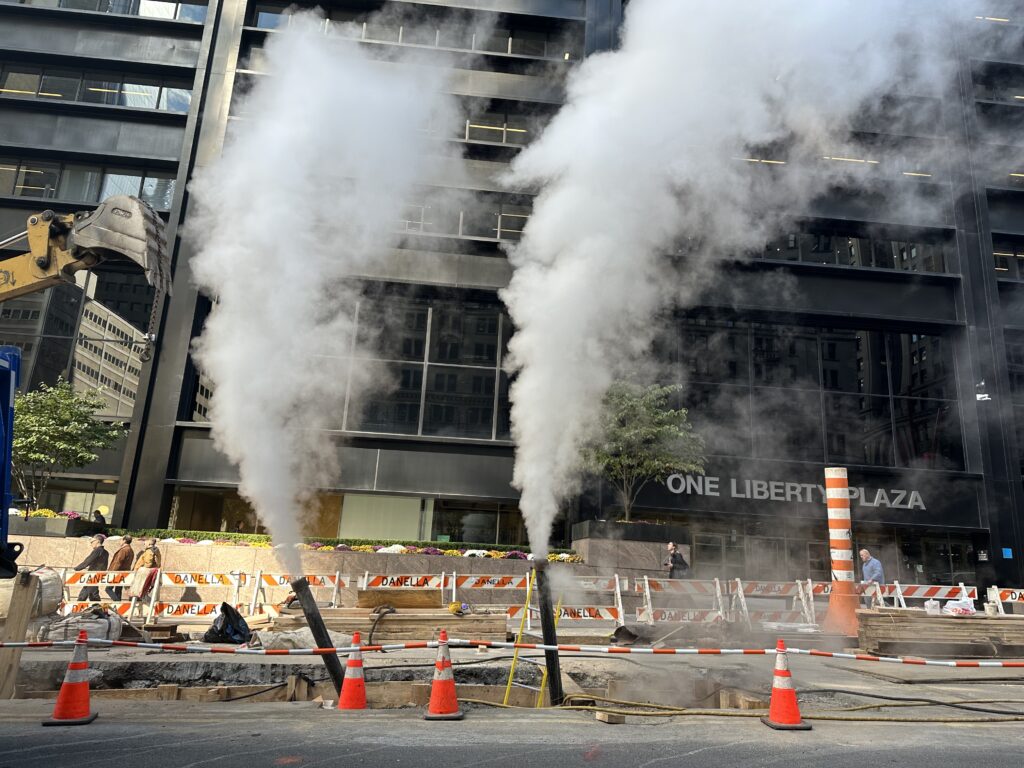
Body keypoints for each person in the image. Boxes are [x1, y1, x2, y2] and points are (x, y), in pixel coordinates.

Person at [73, 535, 109, 602]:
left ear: (97, 541)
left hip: (93, 575)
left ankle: (99, 609)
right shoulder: (106, 552)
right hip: (97, 575)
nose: (91, 544)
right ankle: (77, 608)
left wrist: (76, 569)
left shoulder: (97, 551)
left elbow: (87, 561)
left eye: (92, 541)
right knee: (84, 593)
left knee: (93, 595)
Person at [105, 535, 134, 601]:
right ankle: (118, 604)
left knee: (108, 588)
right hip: (124, 572)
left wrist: (112, 572)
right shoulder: (130, 550)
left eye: (121, 540)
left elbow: (118, 562)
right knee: (118, 590)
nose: (120, 542)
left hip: (118, 572)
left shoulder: (124, 550)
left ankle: (117, 601)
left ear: (124, 541)